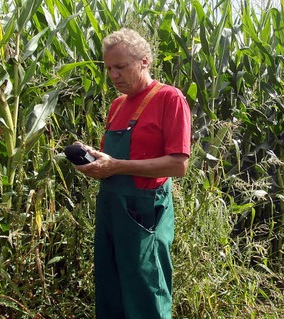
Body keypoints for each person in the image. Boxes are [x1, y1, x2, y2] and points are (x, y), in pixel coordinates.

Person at [75, 28, 191, 318]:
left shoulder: (169, 99)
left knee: (146, 286)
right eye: (109, 68)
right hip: (111, 207)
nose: (114, 75)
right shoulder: (117, 106)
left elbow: (179, 164)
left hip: (144, 212)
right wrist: (93, 162)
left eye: (121, 67)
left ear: (144, 61)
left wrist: (118, 165)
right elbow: (112, 161)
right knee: (110, 286)